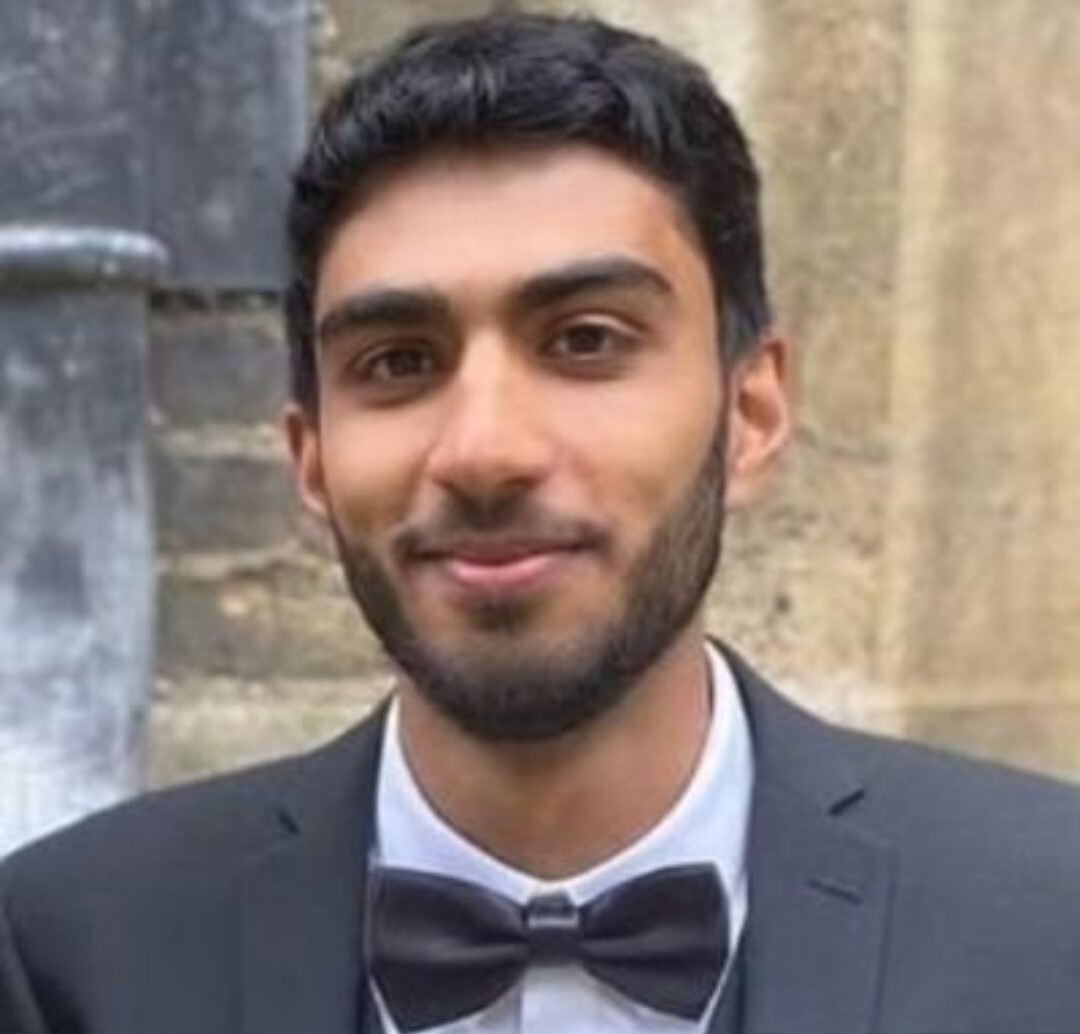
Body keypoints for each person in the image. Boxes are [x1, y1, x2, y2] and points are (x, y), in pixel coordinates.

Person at [2, 11, 1079, 1034]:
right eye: (398, 361)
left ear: (749, 416)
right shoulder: (70, 952)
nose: (485, 451)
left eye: (586, 340)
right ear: (312, 457)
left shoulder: (1050, 920)